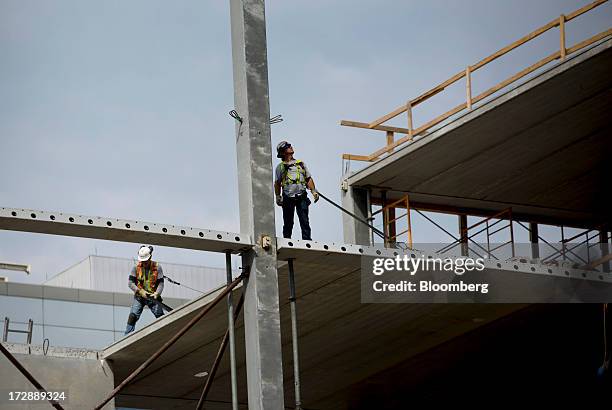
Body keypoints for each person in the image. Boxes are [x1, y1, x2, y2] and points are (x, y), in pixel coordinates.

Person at [274, 141, 319, 240]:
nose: (290, 147)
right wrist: (278, 196)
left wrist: (313, 191)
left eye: (290, 145)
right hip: (288, 198)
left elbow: (308, 178)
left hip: (301, 196)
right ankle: (287, 240)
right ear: (283, 152)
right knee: (288, 222)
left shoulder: (301, 164)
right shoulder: (280, 167)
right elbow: (277, 183)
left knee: (304, 221)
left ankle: (307, 241)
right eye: (287, 147)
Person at [124, 245, 165, 335]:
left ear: (150, 257)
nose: (144, 263)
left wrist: (157, 293)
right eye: (142, 261)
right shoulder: (136, 268)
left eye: (146, 261)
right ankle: (127, 336)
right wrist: (140, 291)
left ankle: (166, 333)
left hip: (153, 297)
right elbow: (130, 283)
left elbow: (161, 283)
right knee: (132, 316)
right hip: (139, 297)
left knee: (161, 317)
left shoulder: (157, 267)